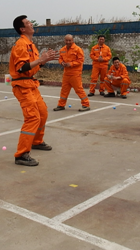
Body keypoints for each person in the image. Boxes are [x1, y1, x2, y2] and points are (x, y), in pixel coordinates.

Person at [10, 15, 60, 166]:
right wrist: (41, 60)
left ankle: (37, 141)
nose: (31, 24)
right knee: (32, 118)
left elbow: (33, 67)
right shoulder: (21, 44)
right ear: (22, 29)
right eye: (28, 23)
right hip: (22, 86)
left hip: (31, 84)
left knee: (42, 113)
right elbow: (21, 68)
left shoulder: (30, 44)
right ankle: (21, 154)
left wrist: (43, 61)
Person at [54, 34, 90, 112]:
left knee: (79, 89)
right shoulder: (62, 49)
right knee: (64, 90)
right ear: (64, 41)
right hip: (66, 73)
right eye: (67, 40)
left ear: (72, 40)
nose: (68, 42)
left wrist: (71, 64)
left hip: (75, 73)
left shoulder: (78, 49)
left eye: (69, 40)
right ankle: (61, 105)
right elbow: (60, 58)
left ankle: (86, 104)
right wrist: (61, 62)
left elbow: (80, 60)